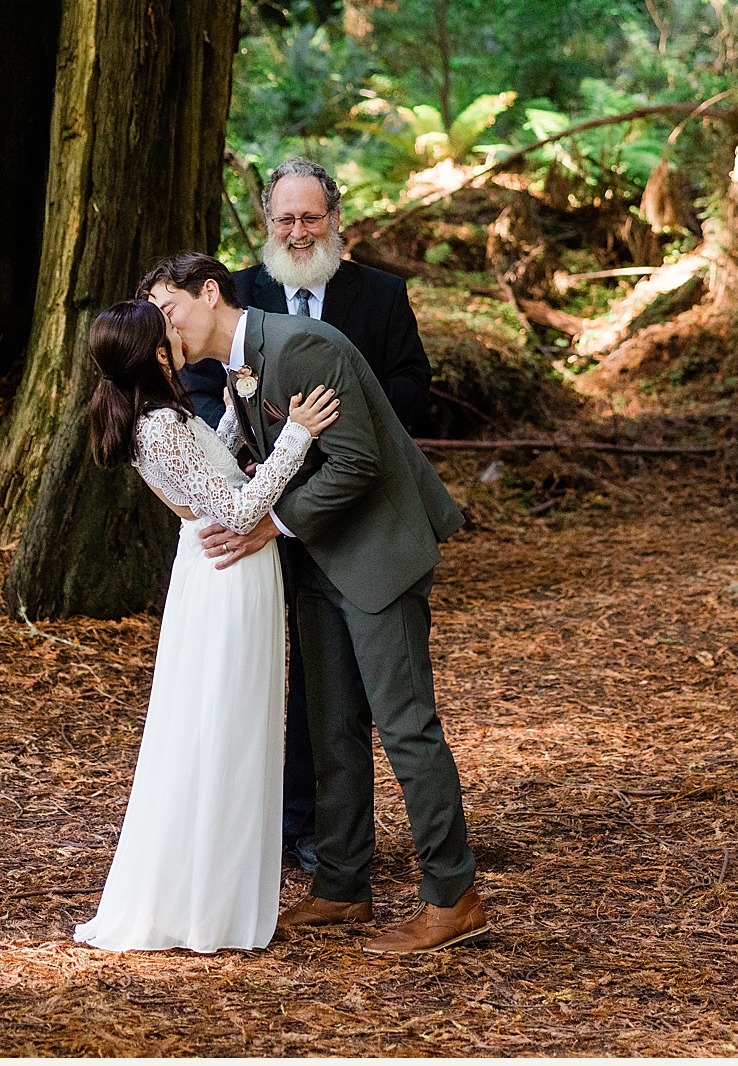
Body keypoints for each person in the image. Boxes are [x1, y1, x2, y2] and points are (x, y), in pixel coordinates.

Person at [145, 252, 490, 956]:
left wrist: (270, 523)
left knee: (405, 726)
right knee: (331, 724)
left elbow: (358, 460)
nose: (164, 325)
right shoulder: (242, 364)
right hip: (319, 561)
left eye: (168, 307)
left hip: (376, 553)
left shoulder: (300, 346)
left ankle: (453, 897)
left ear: (209, 293)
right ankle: (341, 885)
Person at [180, 157, 433, 873]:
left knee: (336, 677)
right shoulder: (234, 292)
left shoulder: (380, 293)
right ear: (267, 222)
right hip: (260, 506)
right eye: (285, 219)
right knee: (270, 666)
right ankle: (278, 825)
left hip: (350, 509)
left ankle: (331, 835)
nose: (298, 231)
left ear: (335, 220)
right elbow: (201, 385)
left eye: (311, 217)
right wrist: (248, 450)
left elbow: (414, 381)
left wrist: (351, 426)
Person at [69, 299, 342, 954]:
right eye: (167, 336)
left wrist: (227, 411)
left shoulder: (157, 418)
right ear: (154, 354)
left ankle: (211, 891)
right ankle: (206, 906)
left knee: (221, 722)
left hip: (214, 570)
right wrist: (297, 434)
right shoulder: (157, 424)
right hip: (226, 575)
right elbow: (241, 507)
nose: (178, 339)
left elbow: (210, 472)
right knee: (224, 725)